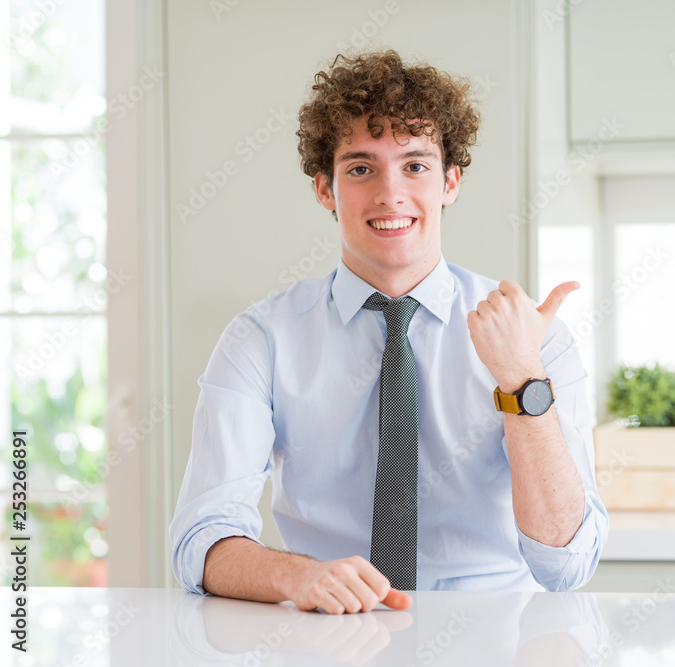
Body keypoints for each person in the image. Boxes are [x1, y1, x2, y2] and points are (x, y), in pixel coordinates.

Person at [169, 49, 607, 615]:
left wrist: (522, 378)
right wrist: (296, 576)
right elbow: (199, 542)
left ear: (450, 182)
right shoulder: (262, 339)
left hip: (494, 639)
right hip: (328, 637)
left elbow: (565, 564)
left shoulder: (532, 337)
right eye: (360, 168)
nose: (389, 194)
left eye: (416, 166)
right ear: (326, 190)